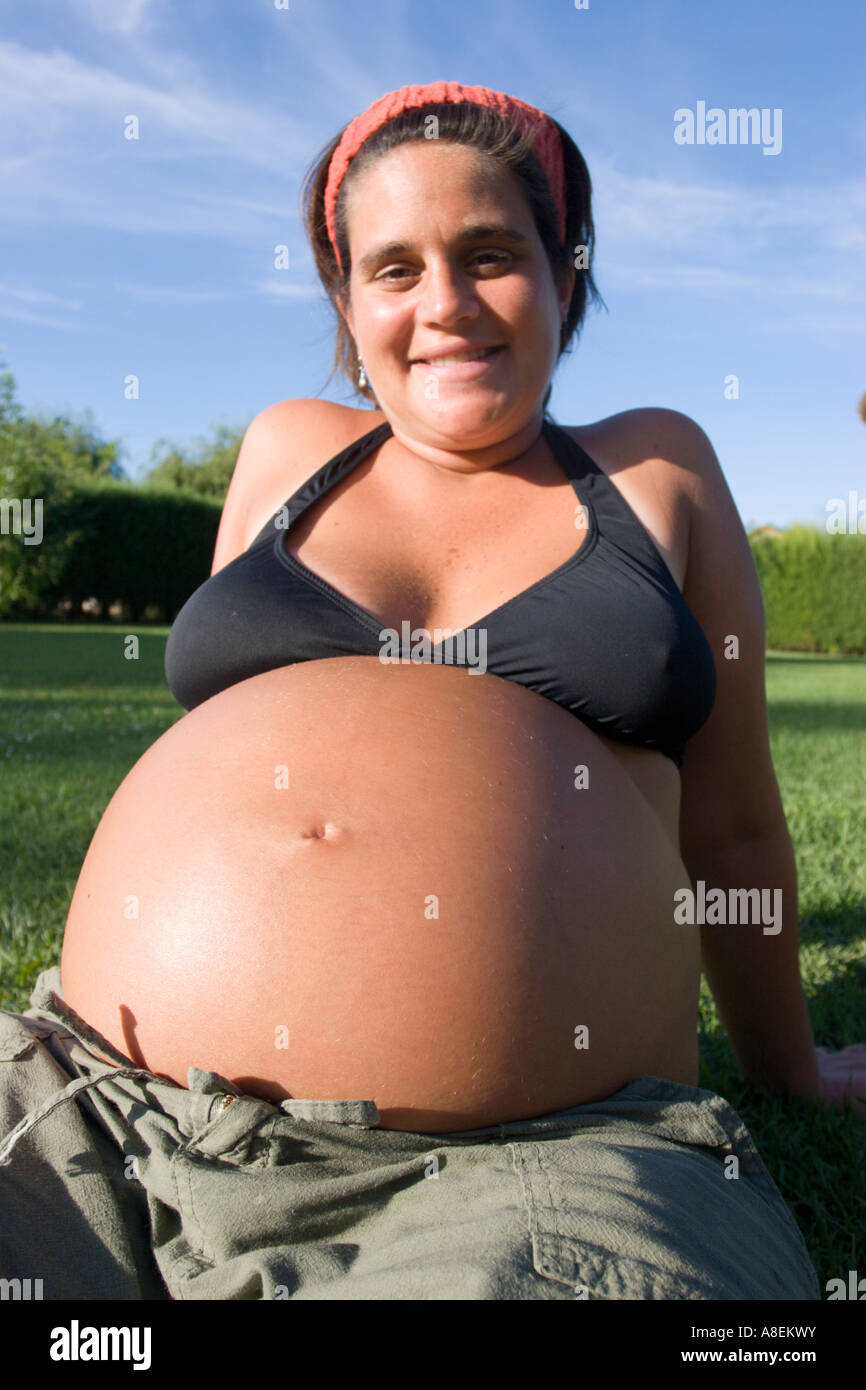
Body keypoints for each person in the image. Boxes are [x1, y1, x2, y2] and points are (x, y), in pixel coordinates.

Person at [1, 81, 863, 1302]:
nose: (444, 303)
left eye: (491, 254)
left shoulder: (656, 466)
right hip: (93, 1091)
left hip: (532, 1165)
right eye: (392, 269)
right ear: (348, 308)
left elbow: (729, 824)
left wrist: (791, 1072)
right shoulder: (287, 448)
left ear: (565, 278)